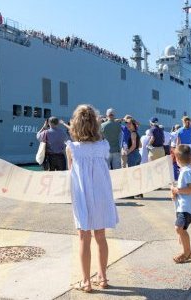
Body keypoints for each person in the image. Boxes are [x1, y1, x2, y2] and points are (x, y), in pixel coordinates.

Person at [66, 104, 119, 293]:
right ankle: (103, 277)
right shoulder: (103, 146)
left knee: (83, 238)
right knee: (101, 237)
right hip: (102, 194)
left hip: (82, 195)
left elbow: (71, 172)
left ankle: (86, 281)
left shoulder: (72, 148)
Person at [170, 144, 191, 264]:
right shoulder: (185, 171)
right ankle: (188, 252)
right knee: (181, 229)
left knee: (179, 228)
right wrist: (175, 193)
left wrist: (177, 190)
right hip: (182, 207)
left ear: (177, 159)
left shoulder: (187, 172)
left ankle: (187, 252)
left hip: (186, 208)